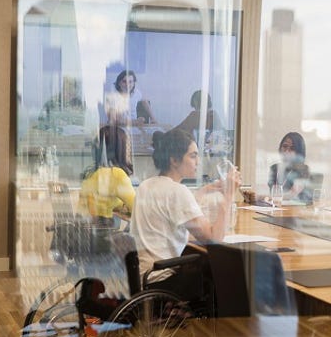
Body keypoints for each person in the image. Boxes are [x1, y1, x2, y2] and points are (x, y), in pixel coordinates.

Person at [129, 129, 241, 300]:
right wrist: (229, 195)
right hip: (162, 280)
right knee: (218, 269)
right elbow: (214, 239)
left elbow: (171, 214)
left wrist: (205, 190)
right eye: (193, 156)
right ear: (174, 160)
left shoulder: (146, 185)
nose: (198, 161)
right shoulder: (177, 191)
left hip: (141, 277)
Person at [78, 136, 136, 228]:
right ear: (120, 150)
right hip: (105, 234)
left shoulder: (90, 173)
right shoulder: (115, 174)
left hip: (89, 232)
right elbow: (137, 209)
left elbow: (104, 203)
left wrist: (120, 208)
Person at [268, 132, 312, 203]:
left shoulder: (303, 169)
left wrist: (260, 197)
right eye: (285, 146)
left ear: (299, 151)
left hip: (296, 210)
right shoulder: (274, 168)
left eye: (292, 148)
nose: (287, 151)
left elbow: (293, 195)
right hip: (277, 207)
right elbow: (273, 194)